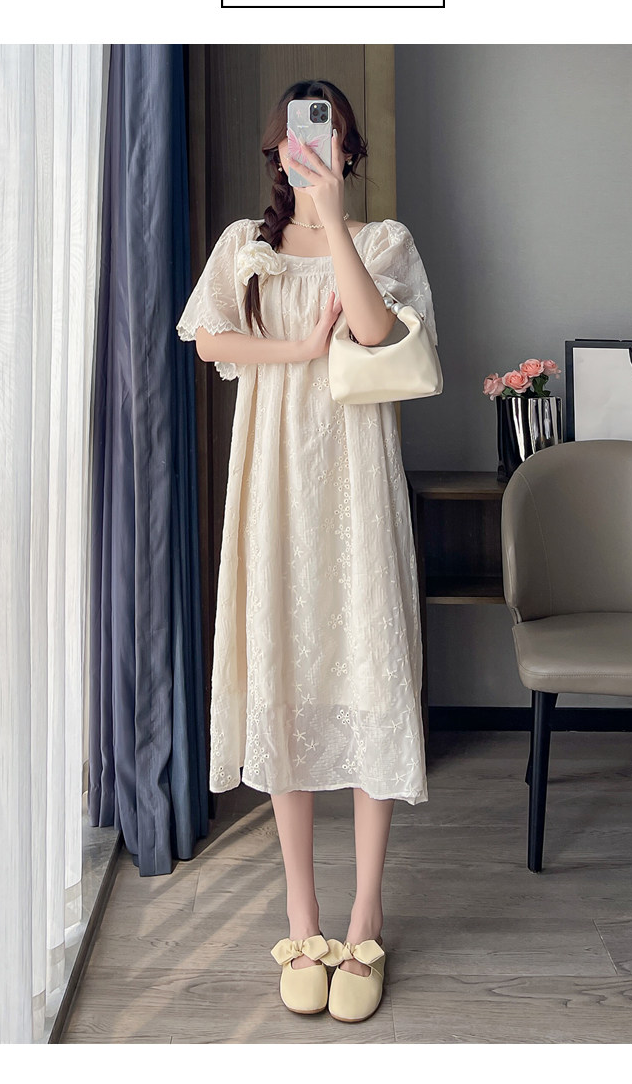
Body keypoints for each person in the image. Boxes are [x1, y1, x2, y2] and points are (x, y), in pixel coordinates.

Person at [175, 79, 439, 1023]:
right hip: (273, 481)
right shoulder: (242, 247)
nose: (311, 144)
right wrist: (298, 352)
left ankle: (366, 915)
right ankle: (302, 913)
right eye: (298, 133)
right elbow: (209, 344)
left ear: (347, 150)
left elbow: (374, 333)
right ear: (278, 148)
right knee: (282, 677)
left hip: (355, 483)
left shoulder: (384, 242)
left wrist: (330, 222)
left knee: (368, 671)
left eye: (327, 133)